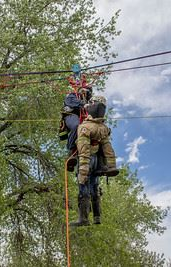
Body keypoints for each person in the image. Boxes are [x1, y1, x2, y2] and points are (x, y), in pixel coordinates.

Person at [69, 95, 119, 227]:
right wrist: (112, 165)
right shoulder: (103, 128)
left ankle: (83, 219)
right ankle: (97, 217)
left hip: (87, 159)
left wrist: (83, 170)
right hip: (97, 161)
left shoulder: (85, 127)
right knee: (94, 187)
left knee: (83, 186)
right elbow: (108, 148)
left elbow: (84, 149)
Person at [59, 87, 92, 171]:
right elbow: (70, 102)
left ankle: (104, 163)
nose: (85, 93)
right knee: (76, 126)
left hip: (86, 119)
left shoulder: (90, 102)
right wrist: (82, 104)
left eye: (87, 92)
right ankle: (71, 153)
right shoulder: (72, 96)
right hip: (71, 115)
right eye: (84, 91)